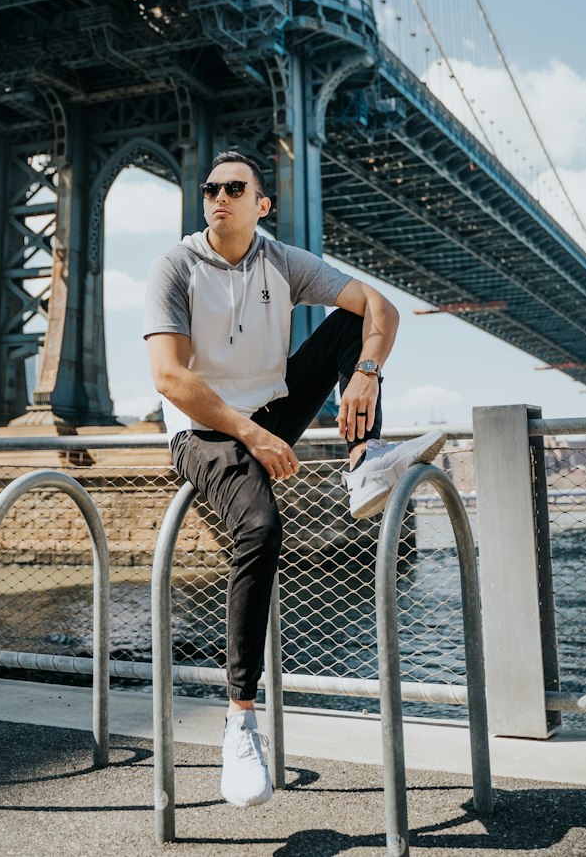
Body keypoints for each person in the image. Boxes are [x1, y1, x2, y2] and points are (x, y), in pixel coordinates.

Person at [144, 149, 445, 809]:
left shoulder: (281, 261)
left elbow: (380, 308)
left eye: (235, 188)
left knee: (352, 323)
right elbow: (169, 378)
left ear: (262, 205)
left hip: (271, 410)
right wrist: (252, 434)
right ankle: (240, 721)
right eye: (210, 189)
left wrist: (366, 373)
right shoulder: (176, 265)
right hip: (202, 427)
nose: (219, 196)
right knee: (259, 528)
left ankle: (364, 466)